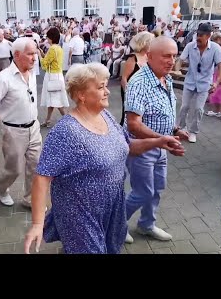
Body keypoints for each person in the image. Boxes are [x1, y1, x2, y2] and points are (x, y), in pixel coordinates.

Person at [24, 62, 182, 254]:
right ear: (81, 94)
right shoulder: (66, 131)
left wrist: (157, 141)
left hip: (112, 206)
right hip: (81, 213)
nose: (107, 91)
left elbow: (127, 146)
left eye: (106, 85)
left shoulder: (105, 115)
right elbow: (42, 177)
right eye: (100, 87)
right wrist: (37, 223)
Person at [123, 37, 189, 243]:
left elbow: (161, 113)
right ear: (150, 56)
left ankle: (146, 225)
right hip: (142, 147)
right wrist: (162, 139)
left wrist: (176, 130)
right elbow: (133, 124)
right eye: (166, 56)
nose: (171, 61)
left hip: (161, 145)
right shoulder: (139, 82)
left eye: (174, 56)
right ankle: (117, 224)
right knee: (143, 192)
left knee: (157, 188)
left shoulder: (166, 79)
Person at [0, 37, 42, 207]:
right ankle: (1, 189)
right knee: (14, 168)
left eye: (35, 53)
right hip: (14, 131)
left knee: (35, 166)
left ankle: (30, 199)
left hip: (34, 127)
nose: (34, 57)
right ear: (17, 55)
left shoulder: (30, 73)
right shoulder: (3, 78)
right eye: (30, 54)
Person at [174, 23, 221, 143]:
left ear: (208, 36)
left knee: (198, 109)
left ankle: (193, 131)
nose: (198, 37)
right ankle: (181, 128)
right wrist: (177, 70)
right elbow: (180, 60)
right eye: (198, 34)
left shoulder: (215, 48)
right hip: (190, 81)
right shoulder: (190, 46)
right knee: (184, 106)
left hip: (205, 83)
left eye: (201, 35)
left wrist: (216, 82)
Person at [38, 27, 69, 128]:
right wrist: (43, 54)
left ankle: (68, 119)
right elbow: (50, 59)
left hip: (52, 76)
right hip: (58, 75)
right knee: (53, 100)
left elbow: (44, 64)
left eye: (48, 37)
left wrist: (39, 54)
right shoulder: (59, 48)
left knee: (55, 100)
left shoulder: (52, 48)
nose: (47, 39)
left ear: (51, 38)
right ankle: (47, 120)